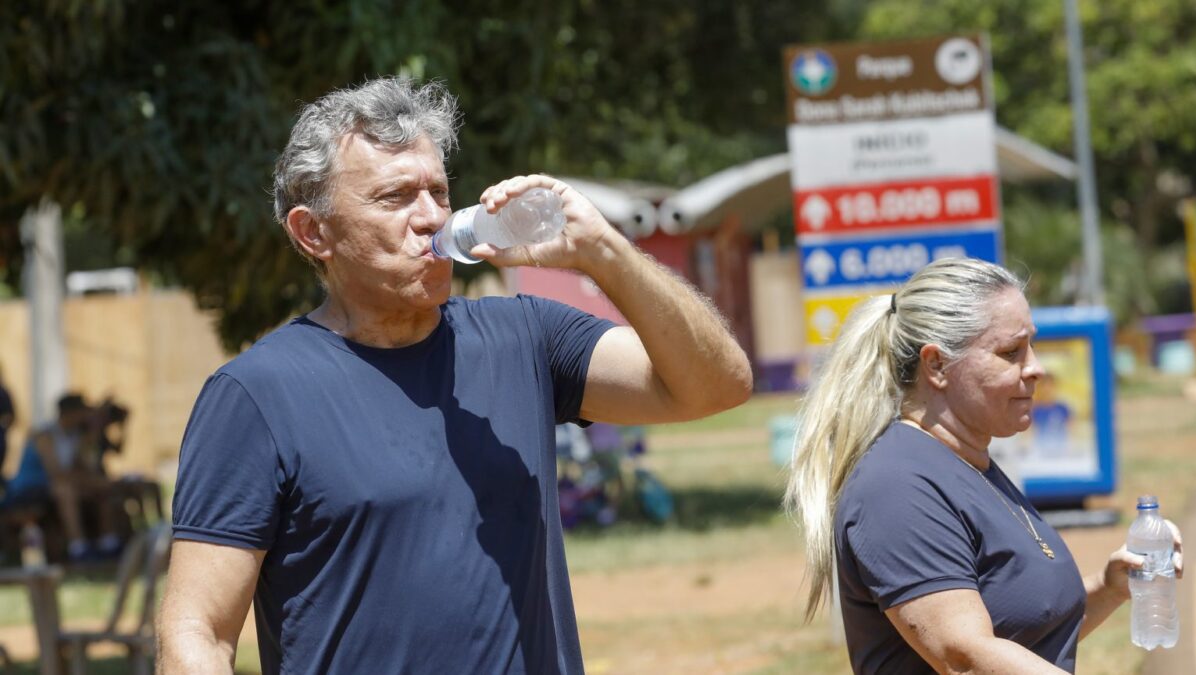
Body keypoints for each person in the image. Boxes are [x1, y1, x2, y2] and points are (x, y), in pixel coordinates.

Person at [157, 77, 752, 674]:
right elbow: (196, 634)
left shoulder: (526, 339)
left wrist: (604, 251)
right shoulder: (258, 395)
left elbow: (717, 385)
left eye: (438, 191)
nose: (431, 217)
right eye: (395, 198)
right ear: (314, 232)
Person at [784, 257, 1184, 674]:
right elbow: (966, 657)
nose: (1036, 368)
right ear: (937, 365)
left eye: (1031, 345)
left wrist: (1109, 588)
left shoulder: (969, 463)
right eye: (1010, 352)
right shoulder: (897, 486)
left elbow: (1025, 638)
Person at [0, 393, 123, 560]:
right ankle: (78, 547)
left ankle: (108, 542)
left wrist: (93, 432)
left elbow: (86, 467)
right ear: (71, 413)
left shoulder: (75, 435)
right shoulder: (44, 434)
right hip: (29, 488)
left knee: (102, 489)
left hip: (61, 484)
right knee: (65, 491)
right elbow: (55, 472)